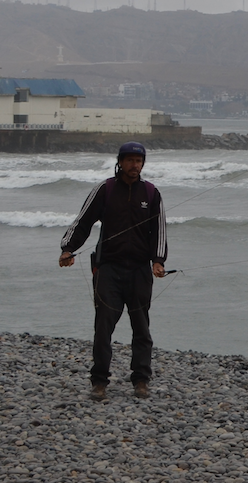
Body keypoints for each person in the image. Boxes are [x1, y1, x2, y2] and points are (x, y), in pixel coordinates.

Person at [59, 141, 168, 400]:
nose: (135, 165)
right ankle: (99, 381)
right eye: (130, 160)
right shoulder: (105, 190)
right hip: (108, 268)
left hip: (140, 270)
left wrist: (158, 260)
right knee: (103, 326)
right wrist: (67, 248)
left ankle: (141, 379)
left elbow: (160, 231)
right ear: (120, 162)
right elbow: (82, 222)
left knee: (141, 327)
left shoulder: (151, 193)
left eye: (139, 161)